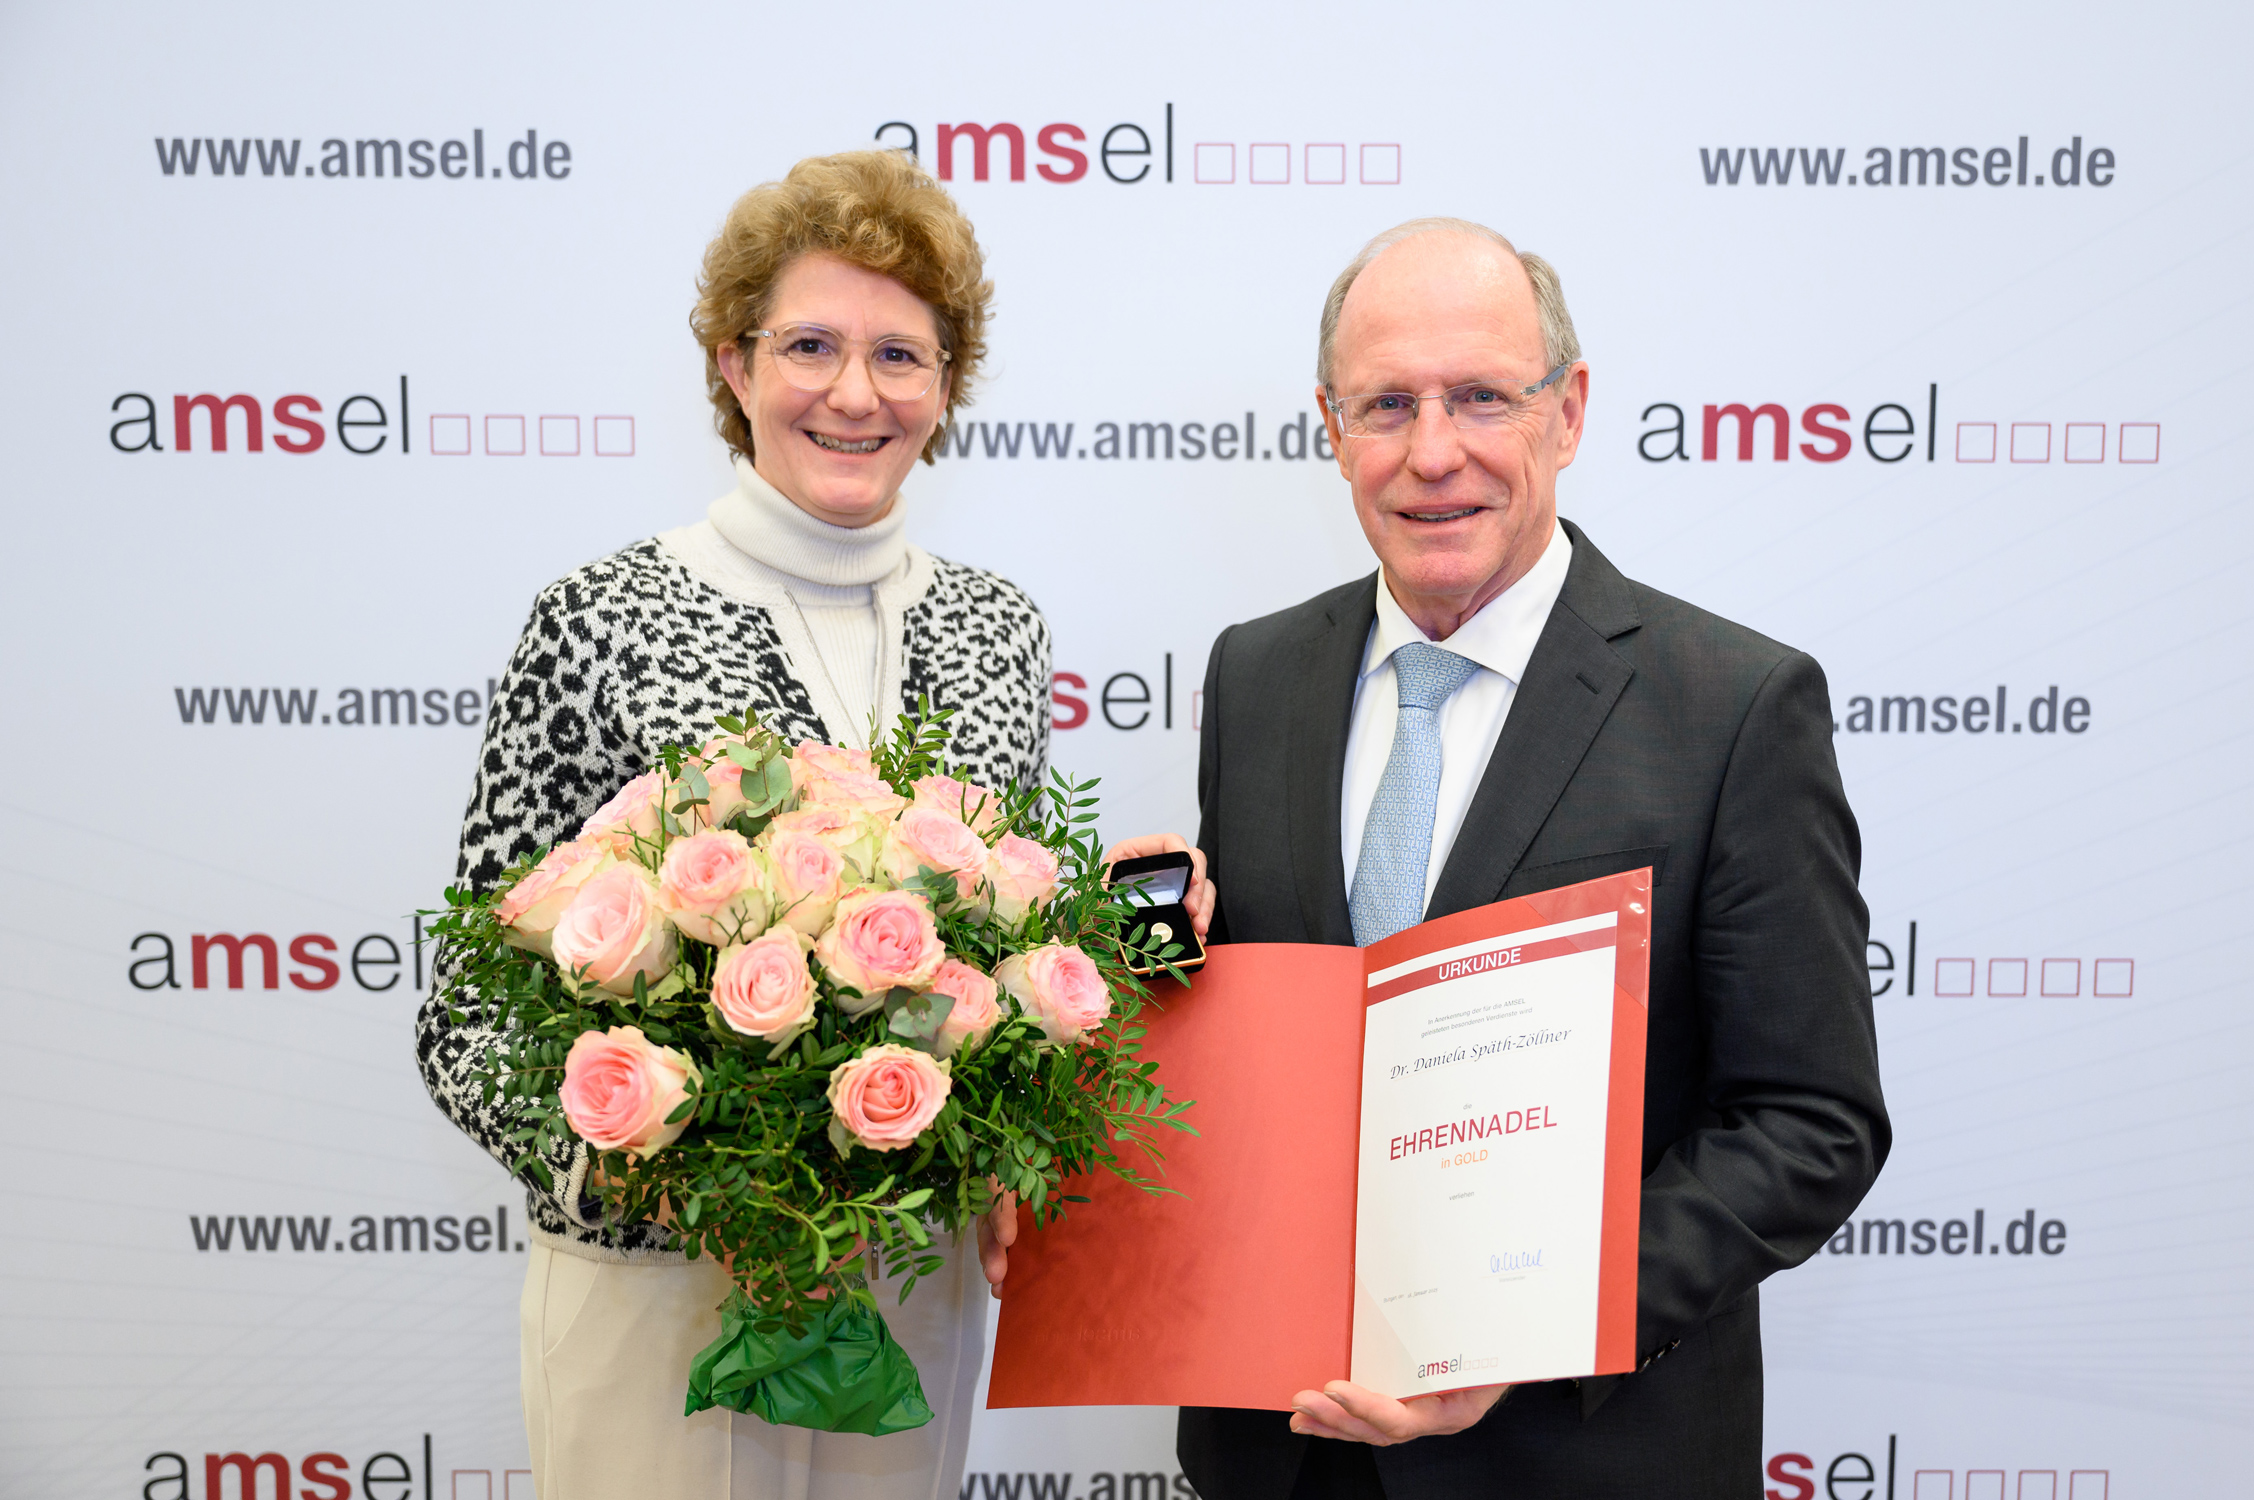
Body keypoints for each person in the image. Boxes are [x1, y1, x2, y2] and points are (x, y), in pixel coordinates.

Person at [1144, 218, 1891, 1498]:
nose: (1433, 454)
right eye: (1387, 405)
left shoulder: (1733, 704)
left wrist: (1534, 1324)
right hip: (1273, 1452)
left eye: (1482, 396)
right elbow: (1269, 1041)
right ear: (1331, 425)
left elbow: (1810, 1122)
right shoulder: (1254, 672)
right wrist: (1151, 962)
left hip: (1579, 1458)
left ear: (1569, 409)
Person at [416, 150, 1043, 1500]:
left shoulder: (1000, 632)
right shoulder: (596, 617)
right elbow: (466, 1003)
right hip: (659, 1287)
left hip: (907, 1292)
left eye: (902, 354)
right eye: (808, 344)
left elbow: (1012, 960)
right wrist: (660, 1169)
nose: (854, 392)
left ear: (946, 386)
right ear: (730, 362)